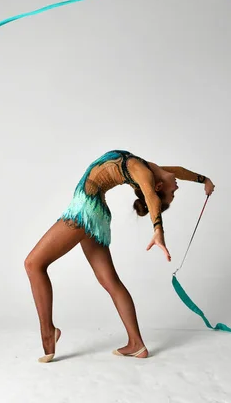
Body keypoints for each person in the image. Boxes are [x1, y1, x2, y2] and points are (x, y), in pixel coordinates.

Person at [24, 149, 215, 362]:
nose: (177, 187)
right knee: (111, 282)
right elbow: (179, 171)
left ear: (158, 185)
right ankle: (136, 344)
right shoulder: (151, 169)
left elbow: (151, 195)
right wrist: (203, 180)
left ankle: (48, 331)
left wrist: (158, 229)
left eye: (173, 193)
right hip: (97, 213)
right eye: (174, 193)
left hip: (85, 210)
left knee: (33, 264)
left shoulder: (144, 173)